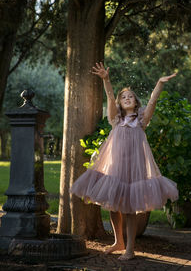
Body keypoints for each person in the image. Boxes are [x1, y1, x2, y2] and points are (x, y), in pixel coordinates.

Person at [70, 62, 179, 260]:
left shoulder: (141, 120)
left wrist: (159, 84)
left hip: (134, 170)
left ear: (136, 103)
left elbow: (153, 102)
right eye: (124, 97)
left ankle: (130, 248)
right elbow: (110, 97)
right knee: (113, 206)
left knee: (130, 210)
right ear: (120, 103)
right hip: (116, 167)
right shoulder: (116, 120)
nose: (127, 98)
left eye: (131, 97)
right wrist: (106, 79)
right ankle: (117, 241)